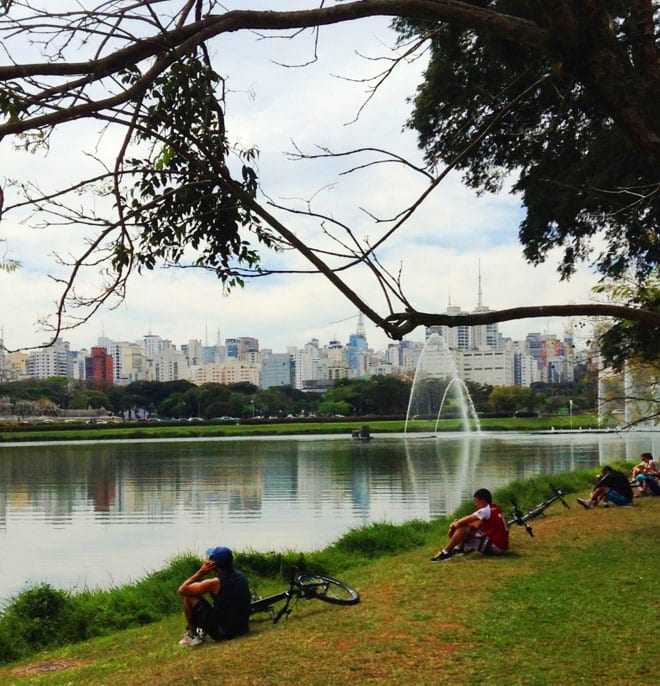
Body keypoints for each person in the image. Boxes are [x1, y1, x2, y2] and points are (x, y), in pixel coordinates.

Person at [177, 546, 251, 647]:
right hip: (243, 629)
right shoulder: (242, 576)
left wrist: (201, 572)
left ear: (213, 564)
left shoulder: (215, 583)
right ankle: (199, 631)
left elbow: (182, 590)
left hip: (224, 632)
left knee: (188, 596)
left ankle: (193, 636)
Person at [431, 488, 509, 562]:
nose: (475, 504)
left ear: (482, 501)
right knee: (466, 526)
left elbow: (463, 521)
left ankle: (445, 553)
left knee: (463, 528)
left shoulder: (485, 510)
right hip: (502, 547)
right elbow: (475, 524)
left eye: (476, 501)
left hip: (496, 548)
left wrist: (454, 524)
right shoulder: (495, 509)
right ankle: (459, 549)